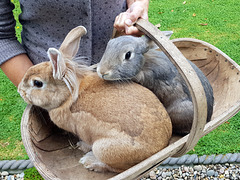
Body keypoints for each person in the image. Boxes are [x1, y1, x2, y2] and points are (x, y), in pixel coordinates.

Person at [0, 0, 149, 87]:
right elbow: (2, 37)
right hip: (55, 88)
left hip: (124, 73)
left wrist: (137, 6)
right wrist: (41, 88)